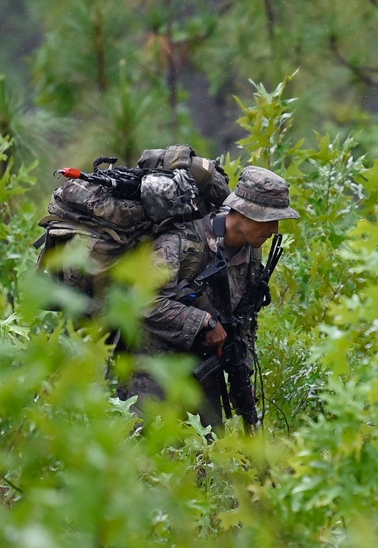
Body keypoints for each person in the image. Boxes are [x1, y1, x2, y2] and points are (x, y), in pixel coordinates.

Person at [113, 165, 299, 433]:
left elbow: (244, 320)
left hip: (203, 373)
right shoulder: (181, 242)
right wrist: (203, 321)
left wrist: (241, 373)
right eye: (270, 220)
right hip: (153, 372)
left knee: (207, 459)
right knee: (143, 457)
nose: (275, 229)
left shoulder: (251, 254)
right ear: (247, 213)